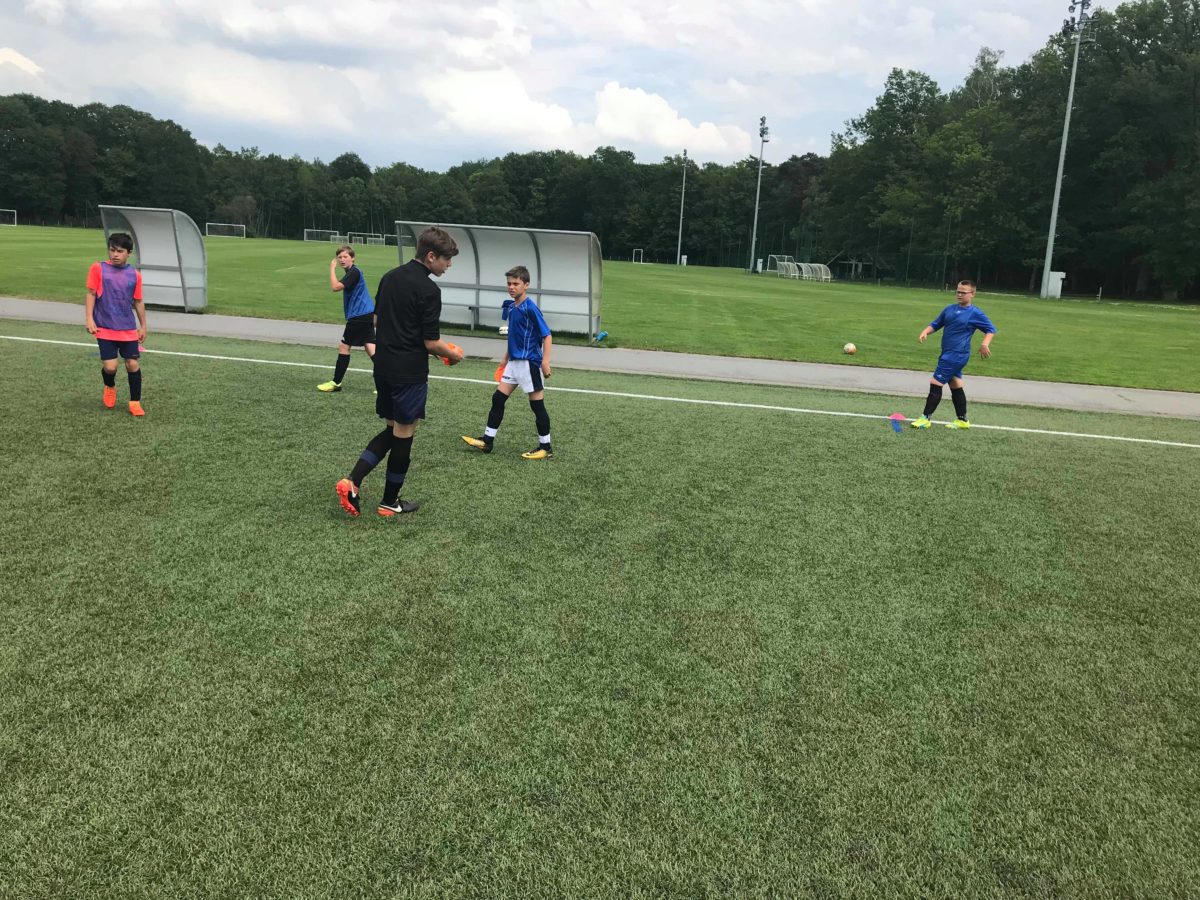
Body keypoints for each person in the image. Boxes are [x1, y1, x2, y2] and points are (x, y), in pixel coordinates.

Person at [335, 227, 463, 518]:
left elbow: (377, 320)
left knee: (392, 430)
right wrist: (453, 354)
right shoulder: (429, 290)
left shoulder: (390, 277)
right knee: (404, 435)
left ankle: (352, 481)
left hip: (383, 366)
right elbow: (430, 342)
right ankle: (389, 502)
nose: (449, 265)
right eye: (447, 259)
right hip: (409, 372)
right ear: (431, 256)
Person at [461, 265, 554, 459]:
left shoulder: (531, 308)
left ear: (526, 285)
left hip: (529, 363)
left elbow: (547, 335)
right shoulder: (511, 307)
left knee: (537, 406)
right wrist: (505, 359)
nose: (511, 287)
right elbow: (514, 336)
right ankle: (487, 441)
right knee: (498, 399)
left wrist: (545, 361)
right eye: (509, 283)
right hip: (513, 363)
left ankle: (545, 447)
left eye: (516, 284)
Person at [911, 280, 996, 429]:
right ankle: (962, 420)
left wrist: (985, 344)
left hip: (957, 355)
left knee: (935, 383)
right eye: (958, 291)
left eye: (963, 292)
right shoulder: (949, 309)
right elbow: (936, 324)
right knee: (955, 385)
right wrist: (925, 331)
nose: (960, 295)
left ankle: (925, 418)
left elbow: (991, 329)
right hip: (947, 353)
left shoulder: (975, 313)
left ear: (972, 294)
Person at [85, 232, 147, 417]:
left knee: (132, 364)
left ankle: (135, 402)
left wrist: (143, 326)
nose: (115, 254)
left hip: (128, 328)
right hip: (104, 327)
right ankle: (109, 386)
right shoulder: (98, 269)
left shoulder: (135, 275)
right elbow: (91, 294)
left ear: (129, 253)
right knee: (111, 367)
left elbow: (138, 301)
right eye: (112, 250)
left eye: (120, 251)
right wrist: (89, 319)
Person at [317, 245, 375, 392]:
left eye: (345, 257)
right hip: (366, 314)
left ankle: (336, 383)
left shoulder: (353, 272)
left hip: (359, 316)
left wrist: (332, 268)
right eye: (340, 257)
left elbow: (335, 287)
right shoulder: (353, 272)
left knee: (344, 346)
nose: (342, 260)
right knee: (371, 348)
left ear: (353, 258)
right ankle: (388, 384)